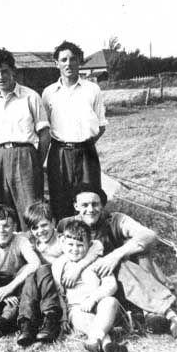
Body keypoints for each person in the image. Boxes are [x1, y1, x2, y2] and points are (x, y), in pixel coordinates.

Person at [57, 183, 177, 338]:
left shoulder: (115, 220)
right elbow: (53, 249)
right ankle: (165, 313)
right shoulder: (67, 224)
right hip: (91, 286)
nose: (90, 209)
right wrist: (79, 267)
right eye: (85, 205)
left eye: (95, 204)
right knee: (122, 266)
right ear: (76, 206)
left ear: (102, 205)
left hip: (121, 279)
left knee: (134, 254)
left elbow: (149, 235)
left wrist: (115, 255)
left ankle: (163, 315)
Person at [15, 201, 104, 346]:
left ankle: (50, 322)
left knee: (42, 269)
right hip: (43, 288)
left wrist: (79, 267)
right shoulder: (31, 240)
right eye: (35, 227)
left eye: (44, 225)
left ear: (53, 222)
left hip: (61, 288)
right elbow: (11, 233)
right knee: (31, 274)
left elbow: (97, 245)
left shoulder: (63, 239)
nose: (40, 231)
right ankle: (27, 325)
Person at [0, 48, 51, 230]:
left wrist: (36, 161)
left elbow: (45, 134)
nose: (0, 76)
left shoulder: (30, 96)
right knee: (2, 211)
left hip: (25, 155)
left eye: (4, 71)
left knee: (29, 209)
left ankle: (34, 252)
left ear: (13, 71)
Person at [42, 41, 107, 221]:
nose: (68, 64)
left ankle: (90, 238)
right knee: (60, 200)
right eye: (63, 60)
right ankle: (64, 238)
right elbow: (45, 127)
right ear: (57, 64)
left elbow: (101, 125)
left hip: (86, 152)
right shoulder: (48, 93)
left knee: (89, 199)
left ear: (79, 62)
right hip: (59, 152)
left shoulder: (92, 89)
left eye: (73, 59)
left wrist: (84, 144)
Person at [52, 220, 128, 352]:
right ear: (63, 243)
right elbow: (59, 293)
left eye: (80, 245)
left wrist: (93, 299)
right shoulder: (58, 265)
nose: (75, 249)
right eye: (70, 244)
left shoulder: (98, 261)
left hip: (100, 303)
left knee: (110, 302)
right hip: (77, 309)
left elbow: (111, 285)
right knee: (84, 318)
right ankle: (106, 345)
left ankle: (94, 339)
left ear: (89, 245)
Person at [0, 204, 47, 342]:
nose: (2, 230)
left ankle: (4, 322)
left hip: (13, 288)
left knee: (27, 273)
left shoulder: (20, 240)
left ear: (14, 227)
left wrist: (9, 288)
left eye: (6, 226)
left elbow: (35, 263)